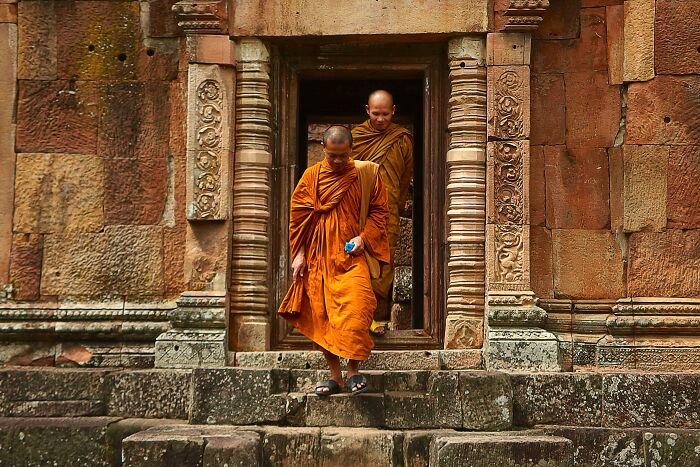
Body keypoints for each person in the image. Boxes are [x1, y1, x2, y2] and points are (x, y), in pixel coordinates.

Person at [278, 125, 390, 396]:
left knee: (357, 310)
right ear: (323, 150)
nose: (338, 161)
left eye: (342, 155)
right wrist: (299, 254)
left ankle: (353, 371)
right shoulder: (312, 177)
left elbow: (380, 212)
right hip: (319, 258)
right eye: (332, 156)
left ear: (350, 150)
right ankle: (335, 376)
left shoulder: (367, 174)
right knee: (324, 317)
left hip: (353, 257)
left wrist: (364, 238)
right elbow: (298, 219)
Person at [351, 90, 414, 335]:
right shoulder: (355, 138)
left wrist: (395, 205)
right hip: (357, 214)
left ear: (394, 111)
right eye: (375, 114)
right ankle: (355, 320)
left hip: (387, 214)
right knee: (356, 265)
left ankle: (376, 319)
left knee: (383, 266)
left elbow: (404, 177)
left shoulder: (402, 140)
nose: (380, 119)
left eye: (385, 114)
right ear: (367, 110)